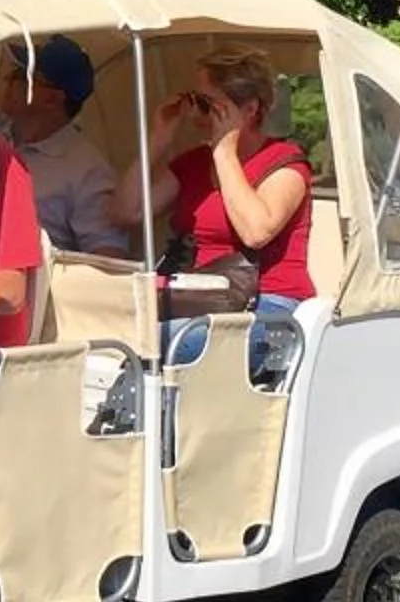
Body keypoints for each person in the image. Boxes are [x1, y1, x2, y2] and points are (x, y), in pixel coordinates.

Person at [112, 46, 313, 379]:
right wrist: (159, 138)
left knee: (156, 345)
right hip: (199, 300)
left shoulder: (286, 163)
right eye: (195, 101)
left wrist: (224, 151)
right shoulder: (193, 165)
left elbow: (256, 231)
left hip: (270, 306)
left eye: (208, 106)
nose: (196, 117)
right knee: (115, 336)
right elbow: (125, 211)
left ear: (250, 109)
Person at [0, 38, 124, 257]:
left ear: (52, 99)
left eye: (21, 76)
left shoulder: (88, 170)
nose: (7, 80)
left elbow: (107, 257)